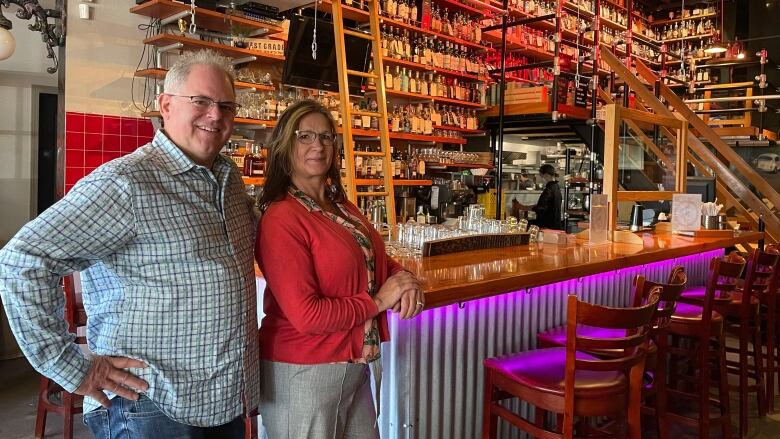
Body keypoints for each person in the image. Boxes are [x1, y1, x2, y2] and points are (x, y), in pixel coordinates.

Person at [0, 50, 258, 438]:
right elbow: (22, 259)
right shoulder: (127, 183)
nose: (215, 115)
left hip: (222, 400)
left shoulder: (228, 179)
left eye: (225, 105)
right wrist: (72, 367)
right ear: (166, 105)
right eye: (201, 101)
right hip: (150, 405)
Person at [255, 100, 423, 438]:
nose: (317, 145)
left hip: (353, 365)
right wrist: (378, 302)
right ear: (285, 147)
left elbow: (373, 259)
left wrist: (403, 279)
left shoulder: (340, 205)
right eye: (305, 137)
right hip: (304, 373)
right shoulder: (281, 217)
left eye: (326, 137)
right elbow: (307, 315)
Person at [516, 163, 563, 230]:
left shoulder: (549, 189)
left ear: (546, 175)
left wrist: (523, 207)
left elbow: (541, 208)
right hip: (555, 224)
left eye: (541, 176)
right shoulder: (556, 187)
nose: (540, 179)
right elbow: (546, 204)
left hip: (547, 226)